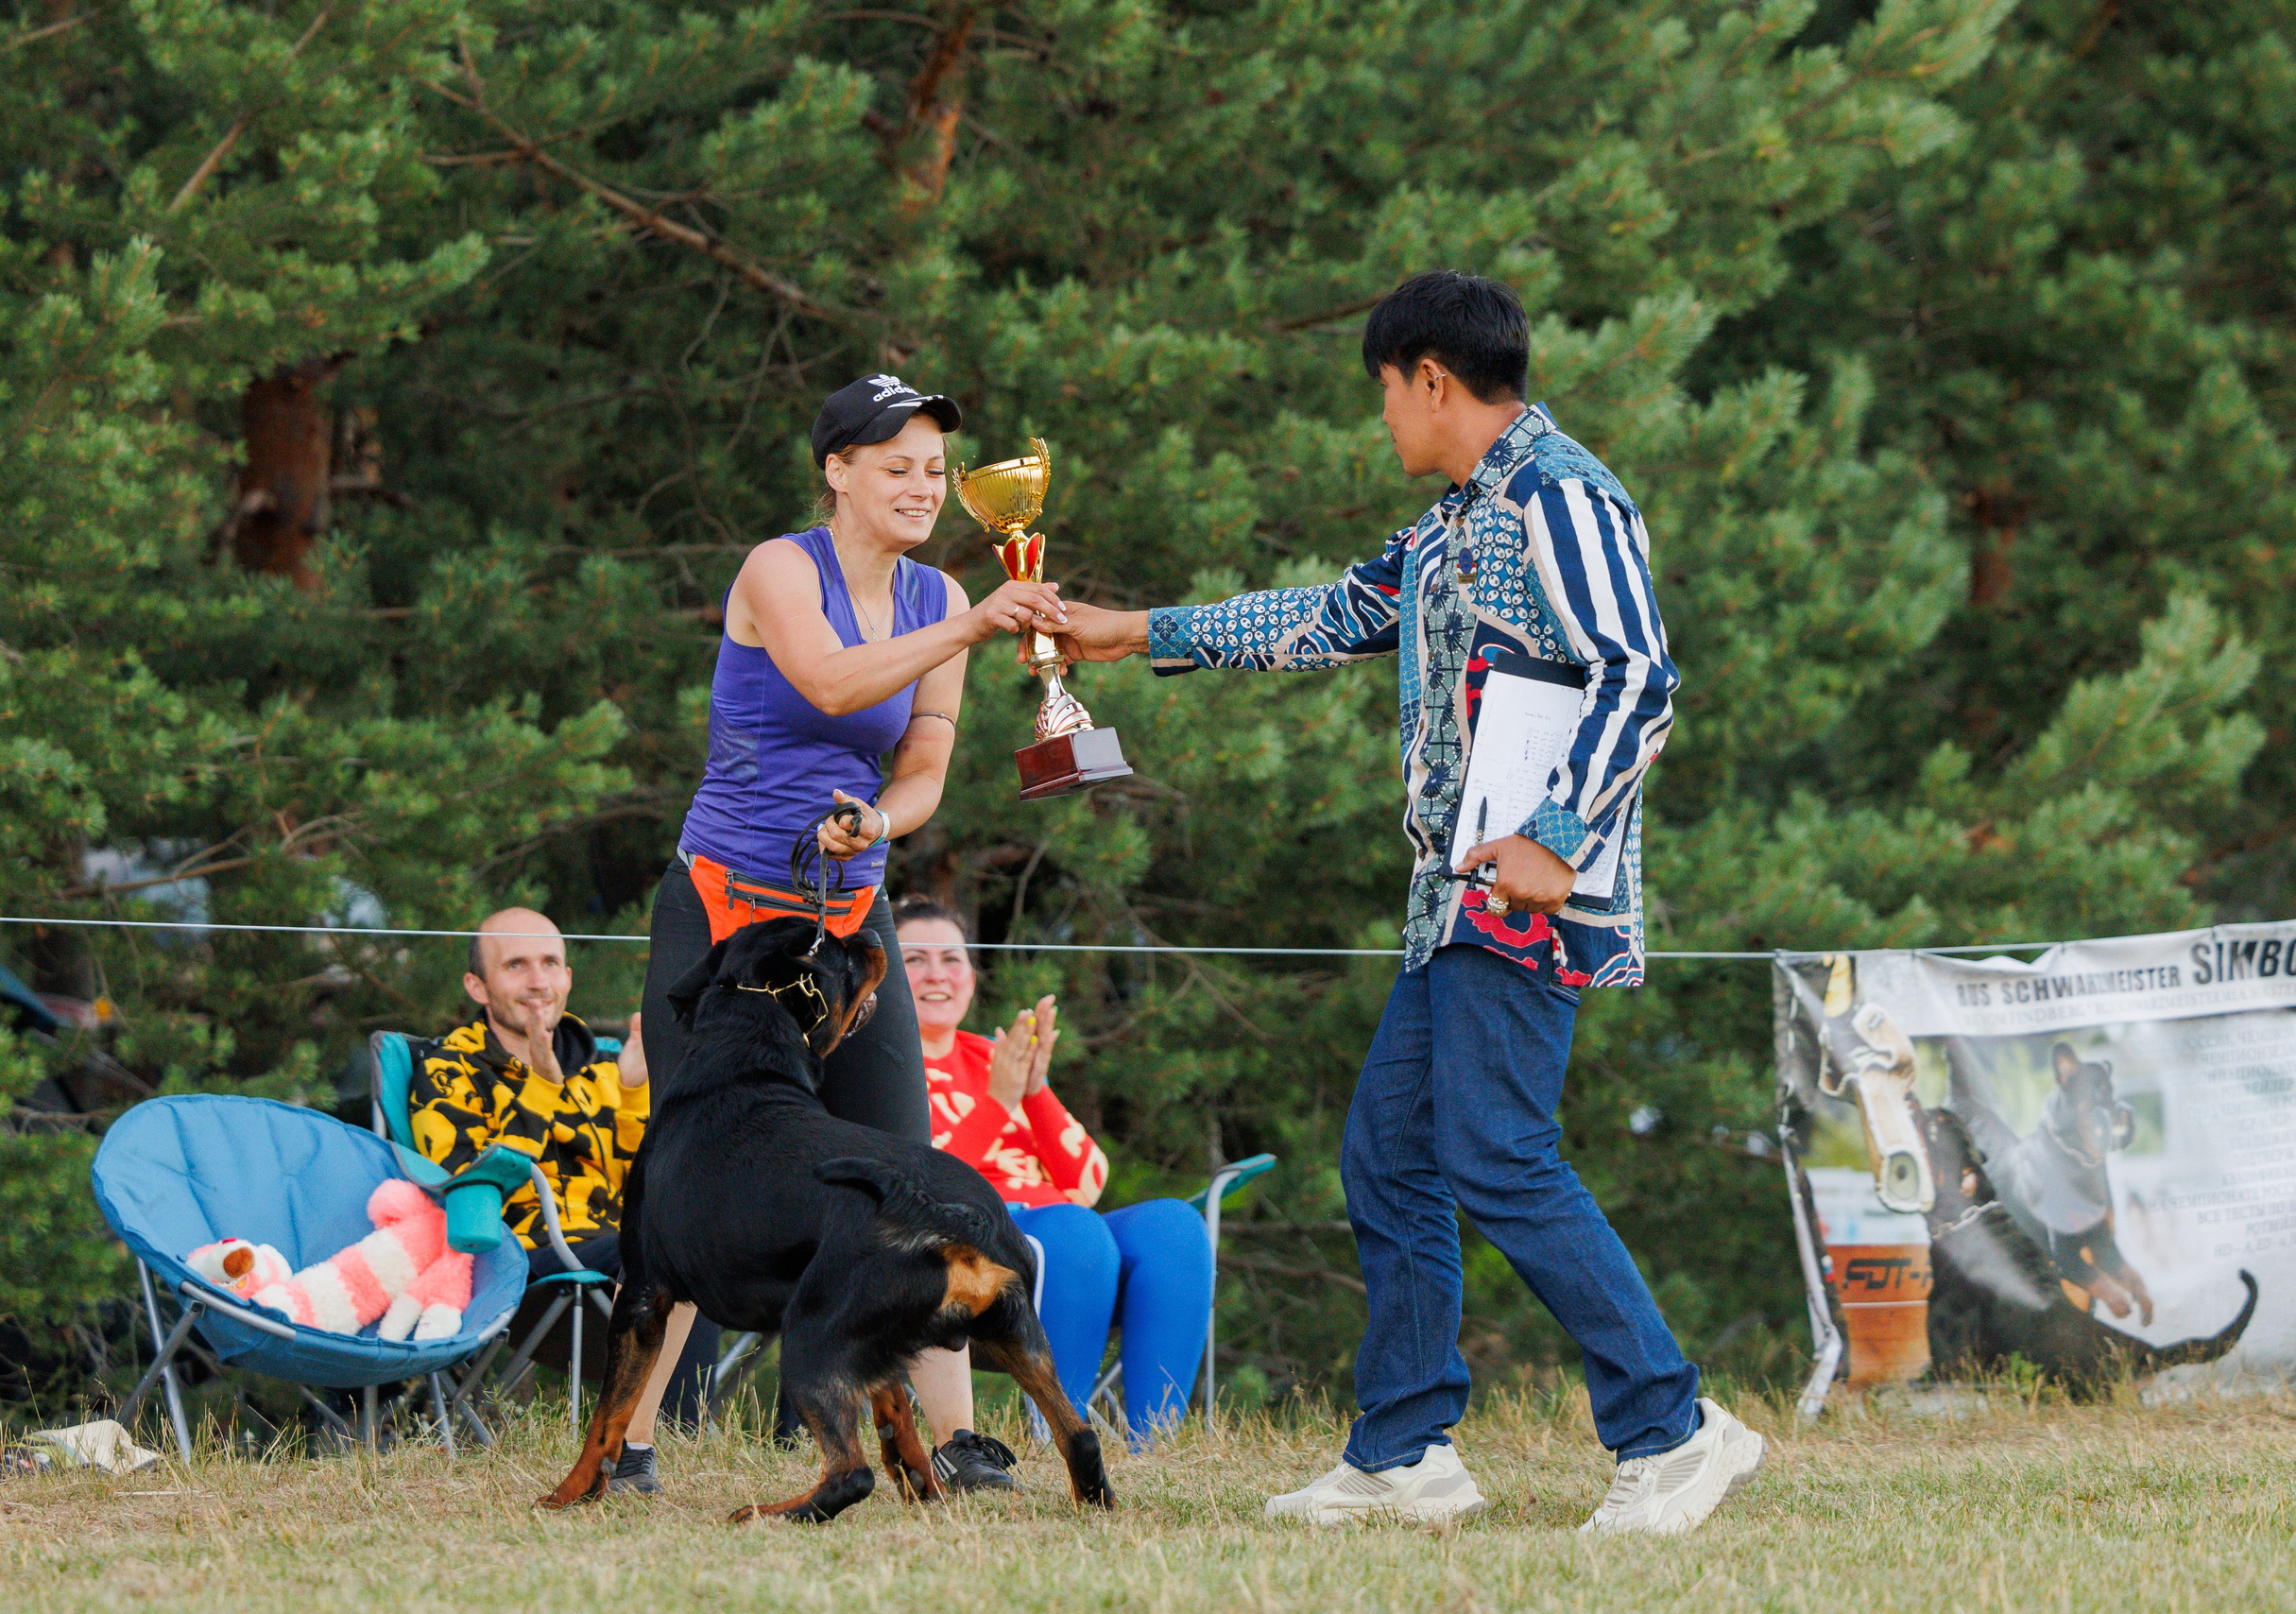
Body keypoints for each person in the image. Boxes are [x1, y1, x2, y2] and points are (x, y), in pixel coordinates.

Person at [1047, 272, 1764, 1534]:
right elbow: (1337, 614)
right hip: (1455, 899)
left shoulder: (1562, 493)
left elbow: (1640, 674)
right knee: (1390, 1152)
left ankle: (1673, 1426)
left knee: (1497, 1152)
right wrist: (1133, 633)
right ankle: (1405, 1453)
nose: (1383, 416)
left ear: (1431, 378)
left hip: (1534, 891)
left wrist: (1553, 833)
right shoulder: (1450, 523)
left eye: (1384, 390)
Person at [640, 374, 1069, 1491]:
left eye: (934, 468)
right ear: (837, 470)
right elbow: (829, 684)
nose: (923, 486)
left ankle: (961, 1439)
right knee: (690, 1175)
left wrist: (883, 817)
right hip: (728, 908)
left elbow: (925, 758)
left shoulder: (938, 597)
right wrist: (975, 619)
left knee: (910, 1167)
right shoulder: (779, 570)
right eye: (897, 465)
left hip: (848, 917)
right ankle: (630, 1444)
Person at [900, 899, 1214, 1446]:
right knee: (1075, 1232)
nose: (936, 975)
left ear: (972, 976)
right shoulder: (886, 1067)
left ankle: (1152, 1444)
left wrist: (1036, 1089)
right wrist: (998, 1103)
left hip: (1066, 1244)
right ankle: (1062, 1440)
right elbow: (917, 1185)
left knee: (1174, 1226)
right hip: (961, 1250)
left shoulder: (996, 1056)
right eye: (915, 959)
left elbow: (1086, 1184)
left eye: (951, 959)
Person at [411, 907, 702, 1495]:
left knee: (702, 1237)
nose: (537, 980)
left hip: (613, 1249)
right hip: (513, 1252)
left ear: (568, 977)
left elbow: (640, 1184)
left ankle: (652, 1436)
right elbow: (473, 1182)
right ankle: (631, 1446)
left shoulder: (598, 1063)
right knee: (663, 1255)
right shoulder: (447, 1068)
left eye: (549, 963)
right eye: (515, 965)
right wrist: (541, 1086)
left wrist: (631, 1092)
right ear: (478, 986)